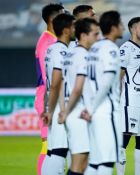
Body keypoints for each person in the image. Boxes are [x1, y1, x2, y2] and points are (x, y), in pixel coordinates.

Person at [81, 10, 124, 175]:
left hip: (93, 110)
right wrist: (91, 108)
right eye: (120, 25)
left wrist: (89, 106)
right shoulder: (111, 49)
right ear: (113, 28)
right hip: (107, 110)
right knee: (107, 161)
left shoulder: (93, 49)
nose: (123, 28)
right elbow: (106, 83)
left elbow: (83, 80)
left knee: (95, 162)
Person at [58, 18, 100, 175]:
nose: (97, 38)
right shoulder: (83, 55)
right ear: (83, 35)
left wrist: (63, 109)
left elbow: (61, 83)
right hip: (79, 113)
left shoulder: (70, 54)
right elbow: (77, 88)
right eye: (94, 34)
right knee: (79, 163)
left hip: (73, 112)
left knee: (82, 164)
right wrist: (67, 111)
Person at [43, 13, 75, 175]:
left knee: (53, 150)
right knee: (59, 151)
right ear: (66, 30)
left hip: (53, 105)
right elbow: (56, 84)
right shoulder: (62, 52)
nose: (76, 29)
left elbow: (48, 83)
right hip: (59, 106)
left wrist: (47, 107)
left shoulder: (51, 49)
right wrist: (57, 109)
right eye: (73, 26)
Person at [116, 17, 140, 175]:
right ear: (133, 29)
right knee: (123, 142)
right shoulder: (125, 49)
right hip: (129, 104)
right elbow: (118, 77)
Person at [34, 3, 64, 175]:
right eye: (62, 16)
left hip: (51, 98)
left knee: (55, 145)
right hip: (47, 99)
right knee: (48, 145)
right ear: (53, 20)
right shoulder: (47, 42)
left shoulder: (52, 40)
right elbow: (50, 78)